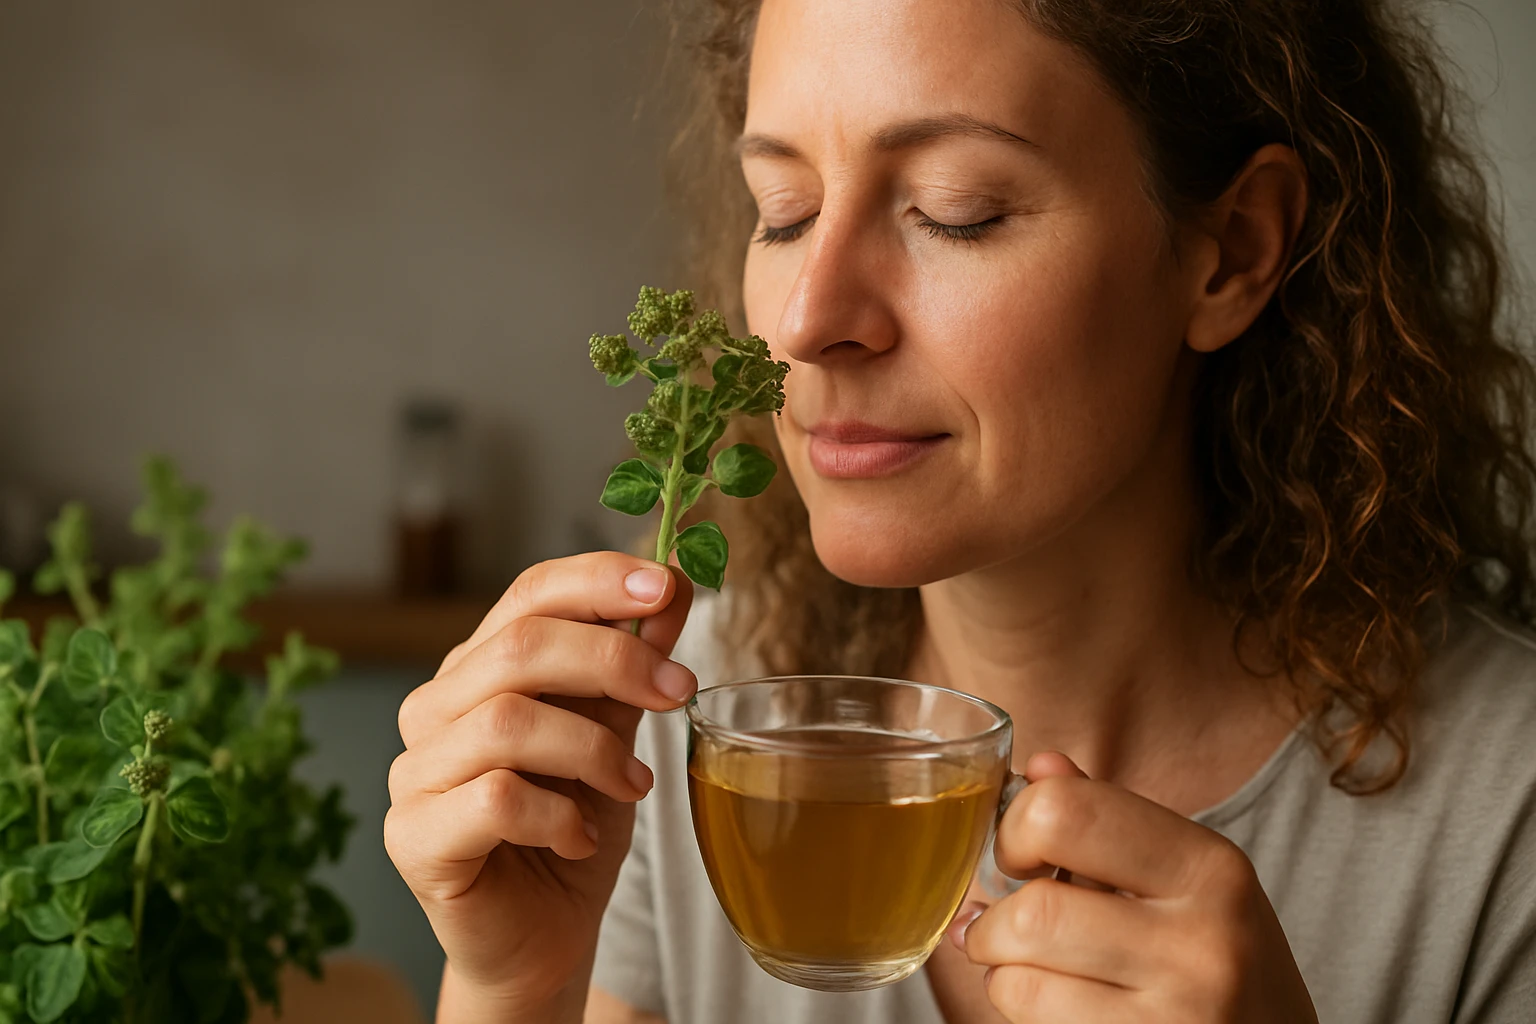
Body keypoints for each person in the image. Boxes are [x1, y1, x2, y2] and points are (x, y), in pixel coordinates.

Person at [383, 0, 1536, 1020]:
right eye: (783, 212)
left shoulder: (1506, 822)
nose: (807, 320)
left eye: (956, 210)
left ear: (1230, 253)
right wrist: (516, 988)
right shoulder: (682, 702)